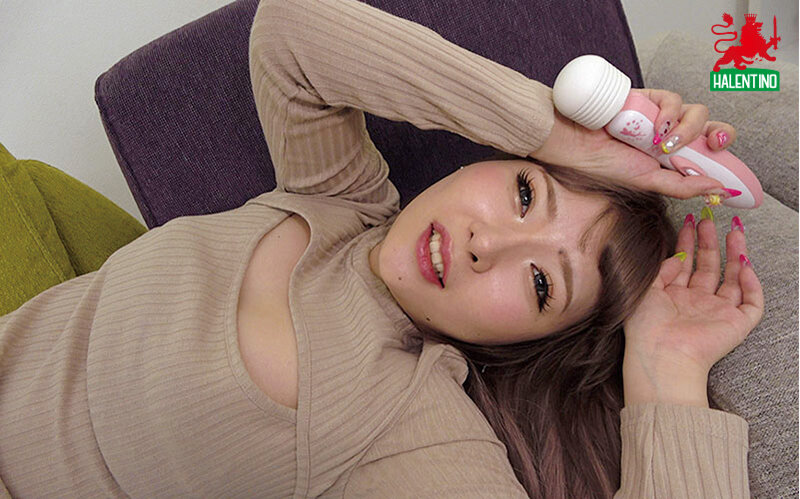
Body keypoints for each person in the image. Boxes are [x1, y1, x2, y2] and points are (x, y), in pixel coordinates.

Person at [0, 0, 762, 497]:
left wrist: (666, 372)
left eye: (540, 284)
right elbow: (293, 29)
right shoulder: (337, 200)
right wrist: (556, 131)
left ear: (531, 341)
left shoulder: (407, 428)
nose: (486, 245)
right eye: (526, 193)